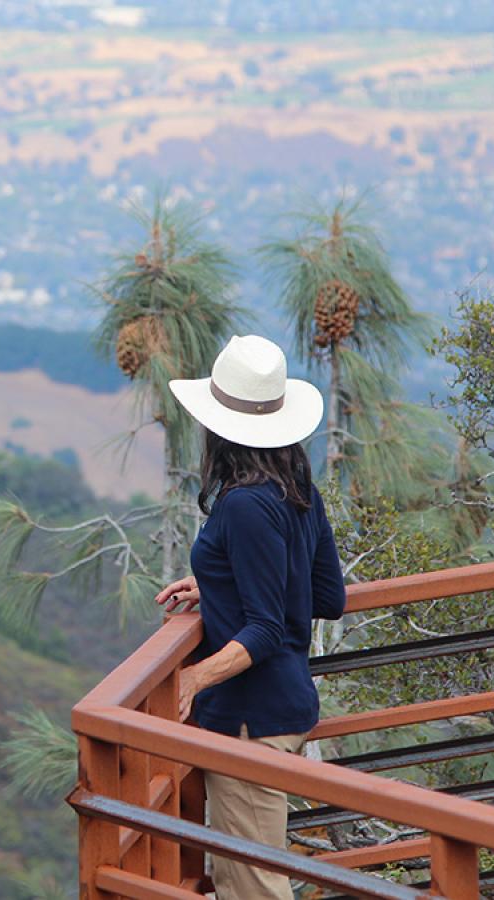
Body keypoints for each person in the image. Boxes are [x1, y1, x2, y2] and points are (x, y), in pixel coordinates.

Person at [153, 334, 347, 900]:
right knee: (253, 873)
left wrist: (191, 678)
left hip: (248, 720)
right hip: (285, 710)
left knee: (252, 885)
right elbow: (327, 596)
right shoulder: (295, 487)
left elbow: (264, 628)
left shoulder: (241, 505)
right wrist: (218, 585)